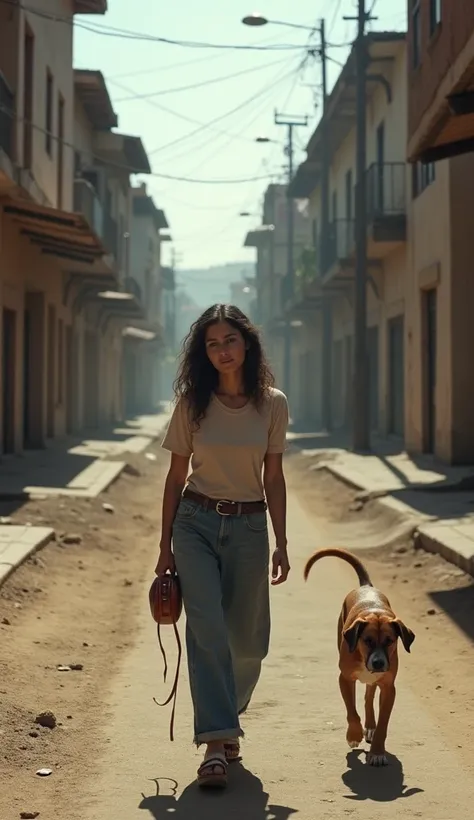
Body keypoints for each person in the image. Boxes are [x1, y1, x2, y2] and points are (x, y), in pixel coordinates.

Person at [156, 303, 290, 789]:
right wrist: (164, 548)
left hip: (251, 528)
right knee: (207, 627)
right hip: (194, 523)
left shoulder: (272, 403)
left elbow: (273, 476)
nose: (222, 351)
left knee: (249, 642)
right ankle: (215, 741)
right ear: (203, 352)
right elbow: (174, 479)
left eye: (229, 340)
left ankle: (228, 713)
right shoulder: (192, 405)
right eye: (211, 344)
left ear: (247, 343)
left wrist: (282, 539)